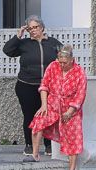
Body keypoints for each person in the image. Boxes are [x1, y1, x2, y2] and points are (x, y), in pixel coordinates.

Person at [4, 18, 62, 160]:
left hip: (48, 86)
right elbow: (7, 51)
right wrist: (18, 36)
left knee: (49, 116)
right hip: (27, 85)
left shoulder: (53, 43)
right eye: (30, 28)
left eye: (36, 27)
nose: (33, 30)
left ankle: (48, 144)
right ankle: (29, 144)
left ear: (42, 27)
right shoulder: (24, 44)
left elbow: (64, 57)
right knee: (29, 115)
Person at [31, 44, 87, 170]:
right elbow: (44, 85)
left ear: (71, 60)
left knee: (73, 136)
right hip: (52, 104)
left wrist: (70, 111)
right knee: (37, 122)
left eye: (65, 63)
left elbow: (80, 94)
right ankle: (35, 155)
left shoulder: (79, 72)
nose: (62, 65)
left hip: (70, 108)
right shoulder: (53, 66)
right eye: (60, 62)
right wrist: (44, 105)